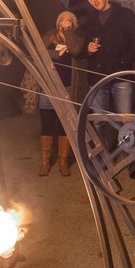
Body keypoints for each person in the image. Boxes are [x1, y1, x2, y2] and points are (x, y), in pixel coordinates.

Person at [83, 0, 135, 118]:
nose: (94, 0)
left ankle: (127, 133)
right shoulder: (89, 19)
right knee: (98, 120)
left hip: (121, 75)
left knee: (126, 118)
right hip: (97, 77)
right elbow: (83, 45)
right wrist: (88, 49)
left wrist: (123, 61)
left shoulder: (125, 14)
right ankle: (101, 133)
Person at [37, 11, 86, 175]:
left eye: (69, 20)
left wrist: (68, 33)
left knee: (65, 125)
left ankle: (63, 162)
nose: (65, 22)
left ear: (73, 24)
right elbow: (38, 53)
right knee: (47, 124)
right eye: (62, 20)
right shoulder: (49, 36)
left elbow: (75, 50)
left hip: (68, 89)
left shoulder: (76, 39)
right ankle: (44, 162)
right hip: (48, 88)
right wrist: (56, 54)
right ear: (57, 23)